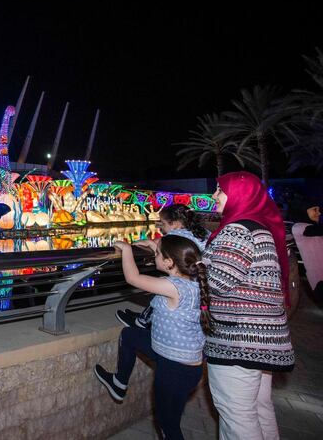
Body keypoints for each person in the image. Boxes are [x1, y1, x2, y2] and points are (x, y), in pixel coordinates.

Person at [205, 171, 294, 440]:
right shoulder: (259, 228)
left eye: (220, 190)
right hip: (260, 338)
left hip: (239, 341)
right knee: (258, 408)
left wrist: (185, 265)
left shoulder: (237, 230)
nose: (213, 196)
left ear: (239, 195)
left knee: (237, 415)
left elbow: (216, 283)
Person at [94, 235, 211, 440]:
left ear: (169, 262)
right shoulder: (195, 280)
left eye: (157, 253)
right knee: (130, 335)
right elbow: (170, 259)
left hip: (174, 370)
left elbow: (133, 278)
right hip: (179, 360)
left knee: (168, 426)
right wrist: (154, 245)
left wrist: (127, 249)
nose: (154, 255)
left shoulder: (173, 287)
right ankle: (119, 383)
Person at [116, 204, 210, 328]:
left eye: (163, 224)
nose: (162, 229)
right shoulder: (204, 233)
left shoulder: (175, 238)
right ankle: (145, 317)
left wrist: (131, 247)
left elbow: (165, 257)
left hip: (187, 280)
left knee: (163, 285)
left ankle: (144, 321)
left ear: (175, 224)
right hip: (202, 279)